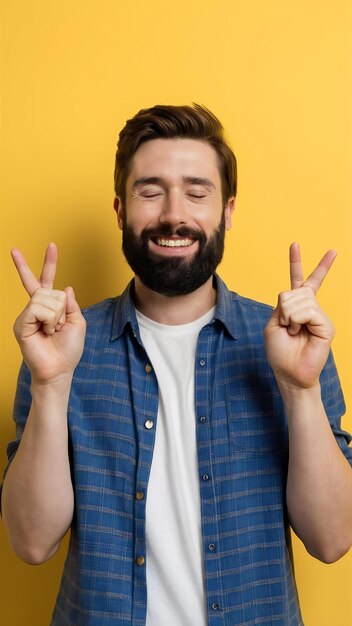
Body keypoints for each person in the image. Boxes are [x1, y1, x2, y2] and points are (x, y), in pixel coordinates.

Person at [2, 104, 352, 626]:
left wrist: (300, 391)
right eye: (150, 191)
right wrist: (52, 384)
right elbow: (31, 542)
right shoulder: (59, 349)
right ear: (120, 211)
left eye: (196, 191)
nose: (173, 214)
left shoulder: (293, 345)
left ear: (227, 211)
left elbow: (332, 540)